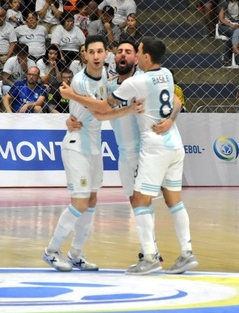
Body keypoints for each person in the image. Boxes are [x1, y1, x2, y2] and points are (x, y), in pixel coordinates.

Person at [61, 40, 182, 266]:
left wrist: (170, 120)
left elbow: (176, 99)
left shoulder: (144, 82)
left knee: (143, 201)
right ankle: (150, 251)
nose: (123, 55)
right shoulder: (109, 85)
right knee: (136, 201)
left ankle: (151, 252)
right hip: (124, 153)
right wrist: (70, 117)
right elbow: (98, 107)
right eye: (120, 52)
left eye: (128, 52)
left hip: (145, 151)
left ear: (137, 57)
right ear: (114, 57)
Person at [42, 35, 139, 272]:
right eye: (91, 52)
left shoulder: (106, 76)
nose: (96, 56)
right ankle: (52, 251)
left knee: (92, 201)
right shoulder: (79, 82)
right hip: (77, 145)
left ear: (106, 54)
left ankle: (76, 253)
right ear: (84, 54)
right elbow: (101, 112)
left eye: (100, 51)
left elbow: (105, 101)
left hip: (94, 145)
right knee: (80, 201)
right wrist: (130, 109)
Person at [112, 37, 198, 275]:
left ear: (146, 57)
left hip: (154, 147)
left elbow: (107, 103)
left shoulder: (137, 81)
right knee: (174, 201)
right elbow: (176, 101)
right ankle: (186, 252)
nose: (134, 56)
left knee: (140, 201)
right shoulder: (168, 74)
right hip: (175, 144)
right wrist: (170, 119)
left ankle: (149, 256)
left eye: (136, 52)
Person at [217, 0, 239, 66]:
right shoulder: (224, 2)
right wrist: (231, 25)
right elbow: (221, 19)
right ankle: (226, 58)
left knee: (236, 34)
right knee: (234, 34)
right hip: (225, 25)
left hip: (238, 25)